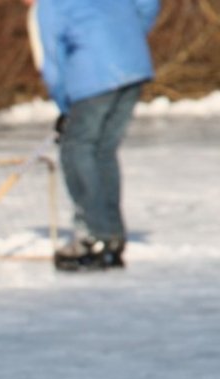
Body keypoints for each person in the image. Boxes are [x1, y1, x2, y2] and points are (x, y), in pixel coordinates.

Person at [25, 0, 158, 271]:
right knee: (103, 150)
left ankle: (94, 235)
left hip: (93, 76)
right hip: (133, 67)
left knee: (77, 150)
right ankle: (111, 237)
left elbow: (51, 62)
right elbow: (148, 3)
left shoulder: (47, 7)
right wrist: (127, 35)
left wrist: (65, 106)